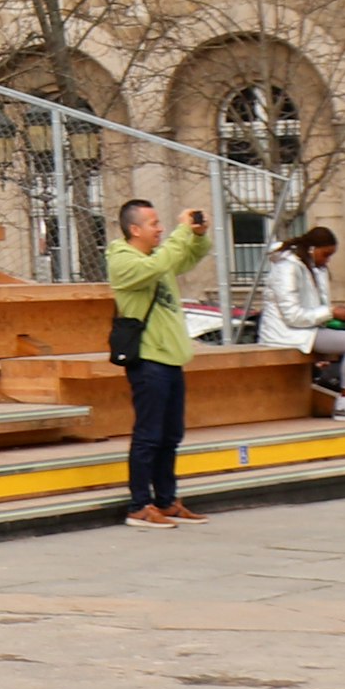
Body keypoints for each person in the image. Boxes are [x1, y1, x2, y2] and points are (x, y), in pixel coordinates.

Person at [108, 198, 214, 528]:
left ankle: (167, 501)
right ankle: (139, 505)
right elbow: (159, 266)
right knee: (149, 435)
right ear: (134, 229)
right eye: (154, 224)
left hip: (171, 357)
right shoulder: (123, 261)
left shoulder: (159, 256)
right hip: (148, 359)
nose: (161, 229)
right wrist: (183, 231)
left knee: (171, 435)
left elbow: (187, 256)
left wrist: (197, 235)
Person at [259, 225, 345, 417]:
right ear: (312, 249)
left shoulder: (313, 268)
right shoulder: (287, 269)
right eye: (326, 254)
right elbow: (293, 316)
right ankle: (344, 403)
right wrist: (331, 312)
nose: (327, 260)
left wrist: (334, 315)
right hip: (286, 332)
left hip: (305, 329)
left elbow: (312, 310)